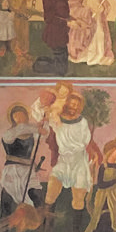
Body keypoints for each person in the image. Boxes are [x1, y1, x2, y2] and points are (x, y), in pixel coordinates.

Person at [43, 89, 99, 218]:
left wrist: (93, 153)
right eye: (72, 104)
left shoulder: (82, 122)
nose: (74, 107)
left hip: (79, 161)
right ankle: (46, 225)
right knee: (51, 191)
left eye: (77, 105)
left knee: (79, 197)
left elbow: (86, 142)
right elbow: (47, 117)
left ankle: (76, 230)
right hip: (63, 159)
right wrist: (50, 114)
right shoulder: (57, 120)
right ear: (67, 104)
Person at [0, 104, 44, 232]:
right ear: (12, 118)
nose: (19, 117)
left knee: (35, 202)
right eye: (16, 115)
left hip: (28, 171)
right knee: (7, 205)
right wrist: (37, 128)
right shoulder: (9, 134)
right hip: (12, 171)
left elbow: (45, 132)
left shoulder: (31, 132)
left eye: (22, 114)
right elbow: (23, 129)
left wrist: (43, 124)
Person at [80, 136, 116, 232]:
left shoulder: (115, 166)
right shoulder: (103, 166)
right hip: (104, 197)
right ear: (112, 150)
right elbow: (101, 185)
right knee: (100, 217)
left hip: (115, 196)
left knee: (115, 217)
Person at [67, 0, 114, 68]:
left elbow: (103, 0)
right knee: (85, 36)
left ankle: (99, 56)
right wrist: (89, 11)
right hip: (84, 19)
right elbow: (73, 7)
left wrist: (102, 7)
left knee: (99, 34)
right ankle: (85, 56)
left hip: (98, 17)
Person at [40, 0, 72, 75]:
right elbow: (49, 18)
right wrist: (67, 23)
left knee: (63, 59)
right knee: (61, 64)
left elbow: (64, 14)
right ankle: (39, 66)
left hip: (61, 32)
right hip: (54, 32)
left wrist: (74, 20)